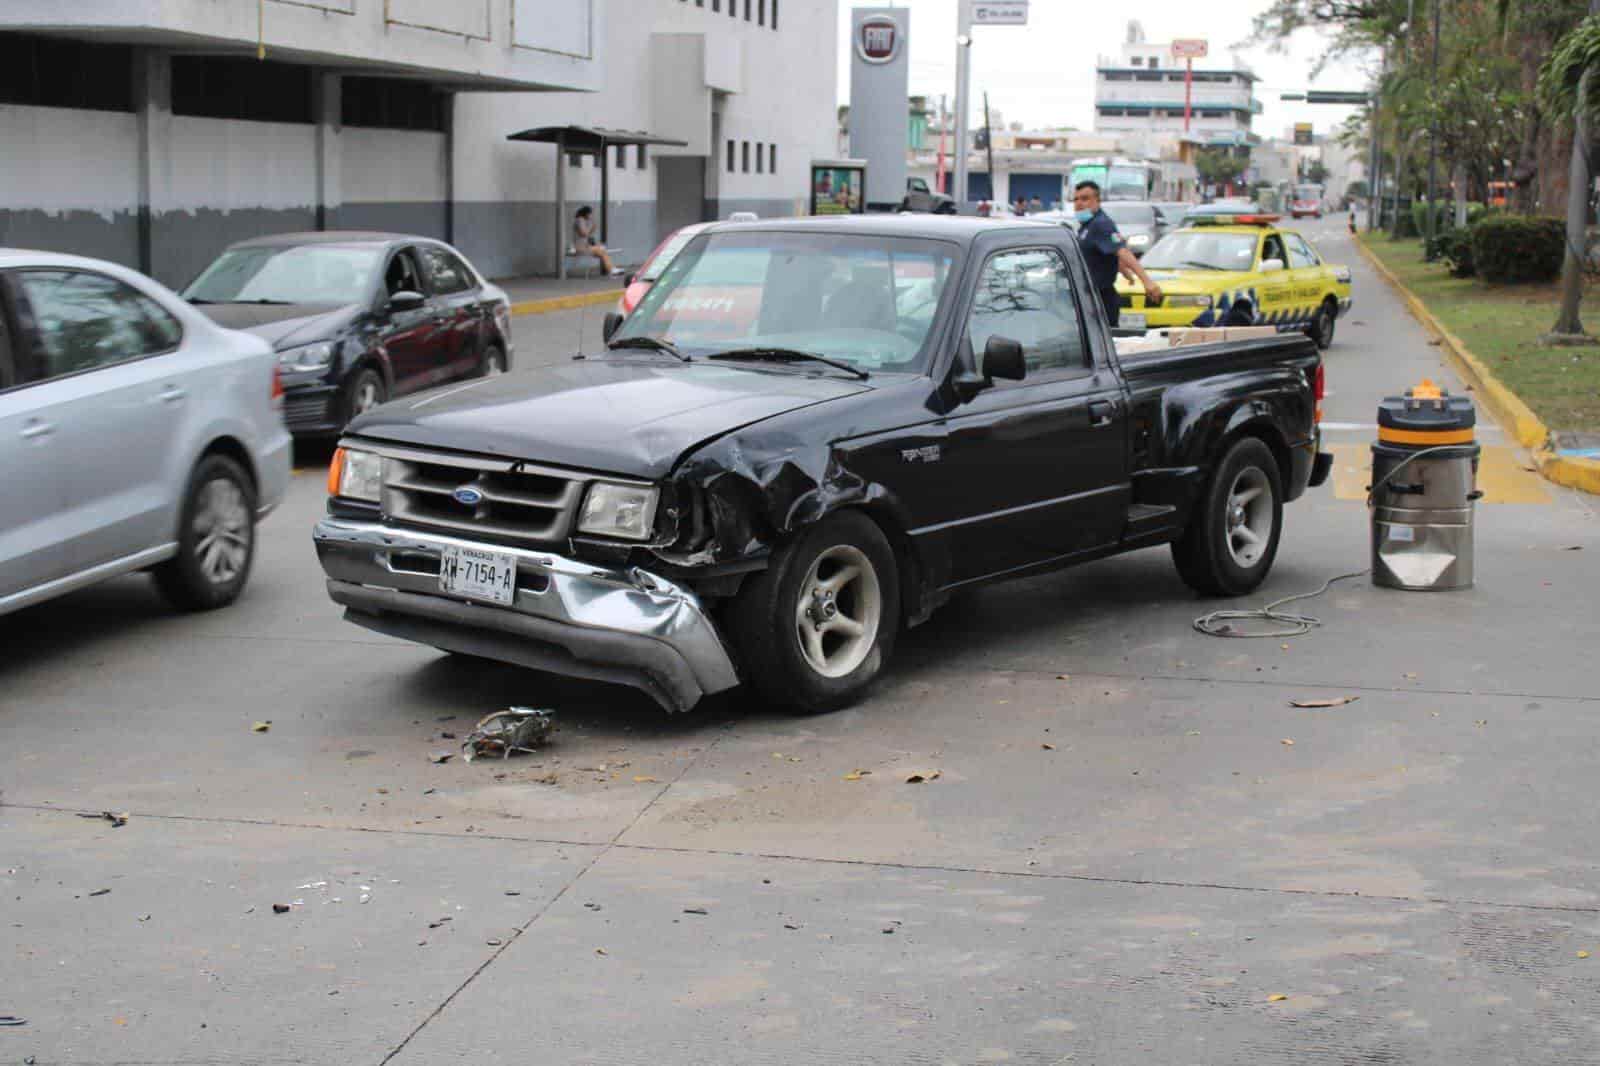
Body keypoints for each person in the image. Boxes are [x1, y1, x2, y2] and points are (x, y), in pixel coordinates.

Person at [1072, 180, 1162, 328]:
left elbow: (1122, 250)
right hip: (1090, 296)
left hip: (1101, 297)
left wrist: (1147, 281)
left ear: (1097, 200)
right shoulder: (1087, 225)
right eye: (1076, 199)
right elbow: (1105, 250)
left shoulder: (1100, 224)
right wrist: (1122, 269)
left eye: (1085, 198)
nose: (1079, 203)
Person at [572, 206, 622, 276]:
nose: (591, 216)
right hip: (581, 248)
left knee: (602, 250)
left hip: (584, 246)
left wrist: (592, 228)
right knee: (602, 251)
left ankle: (611, 268)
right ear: (586, 214)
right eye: (590, 214)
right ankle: (611, 269)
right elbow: (584, 233)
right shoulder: (580, 220)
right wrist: (591, 227)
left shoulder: (582, 220)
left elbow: (587, 234)